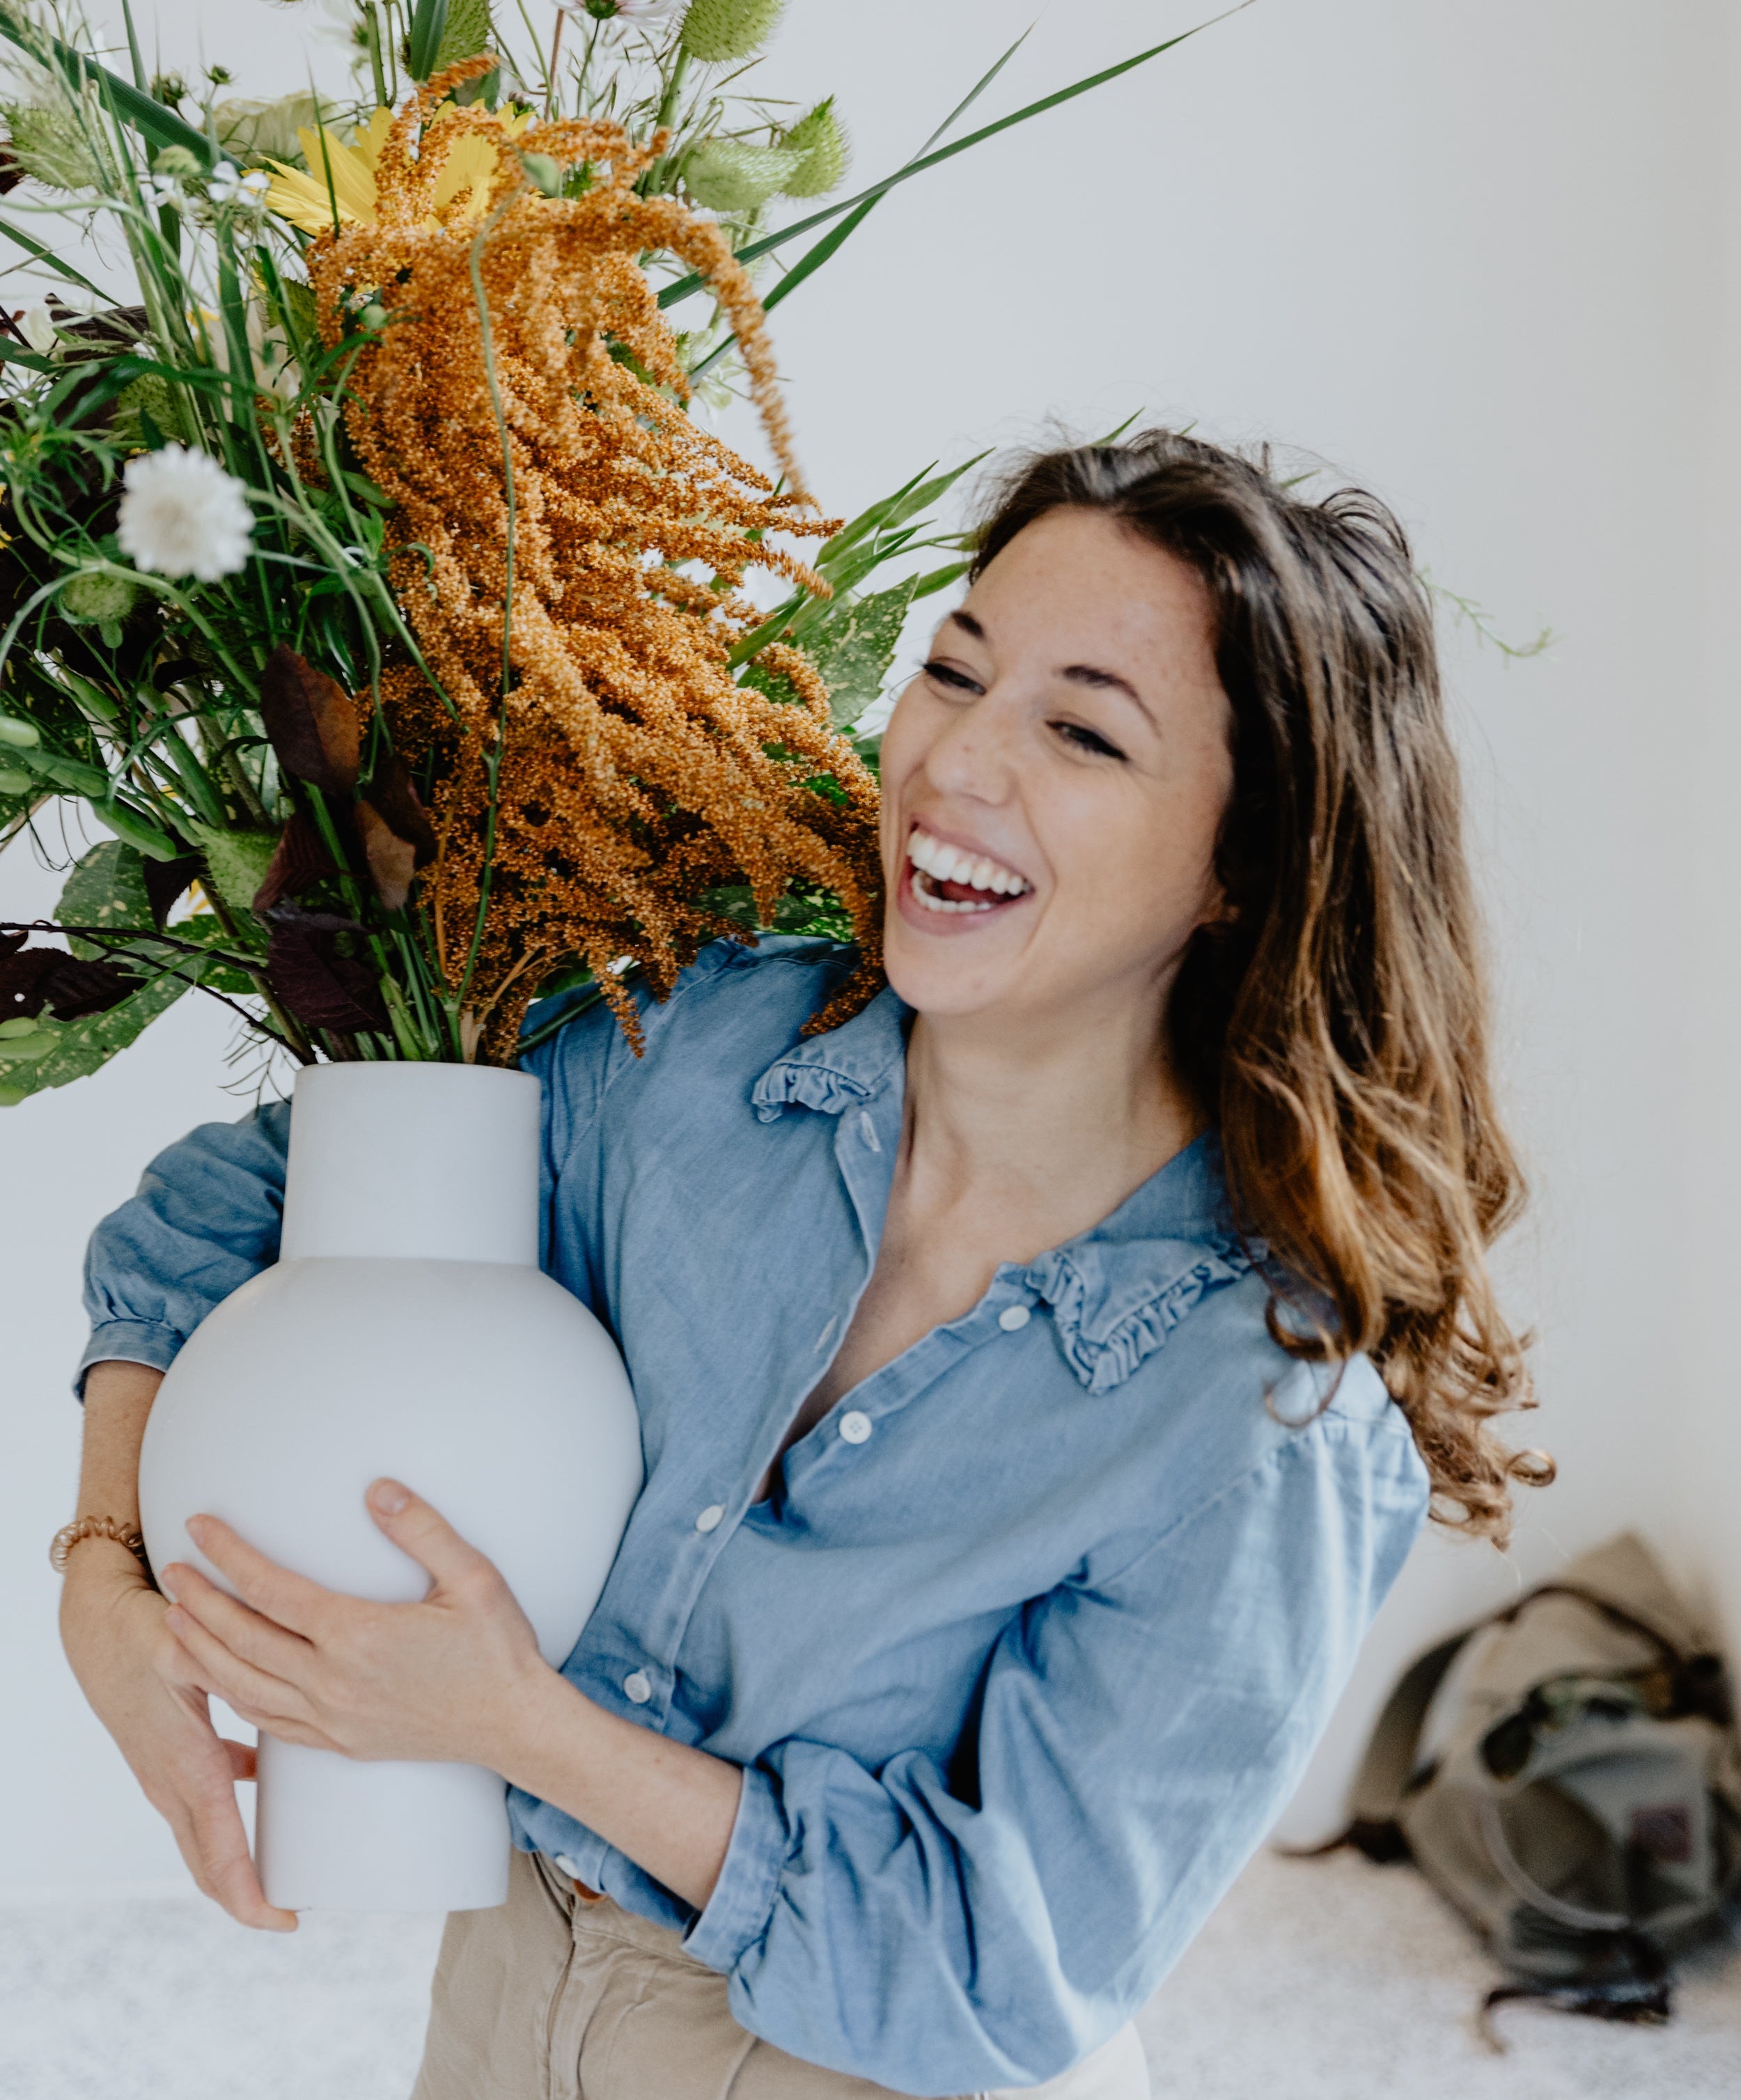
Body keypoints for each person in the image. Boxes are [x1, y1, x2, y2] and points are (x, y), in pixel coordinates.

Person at [56, 430, 1544, 2100]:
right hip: (510, 1981)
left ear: (1241, 864)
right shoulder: (688, 1051)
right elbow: (228, 1211)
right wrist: (100, 1578)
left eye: (1077, 731)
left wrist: (521, 1730)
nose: (954, 763)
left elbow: (994, 1975)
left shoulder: (1258, 1420)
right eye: (955, 671)